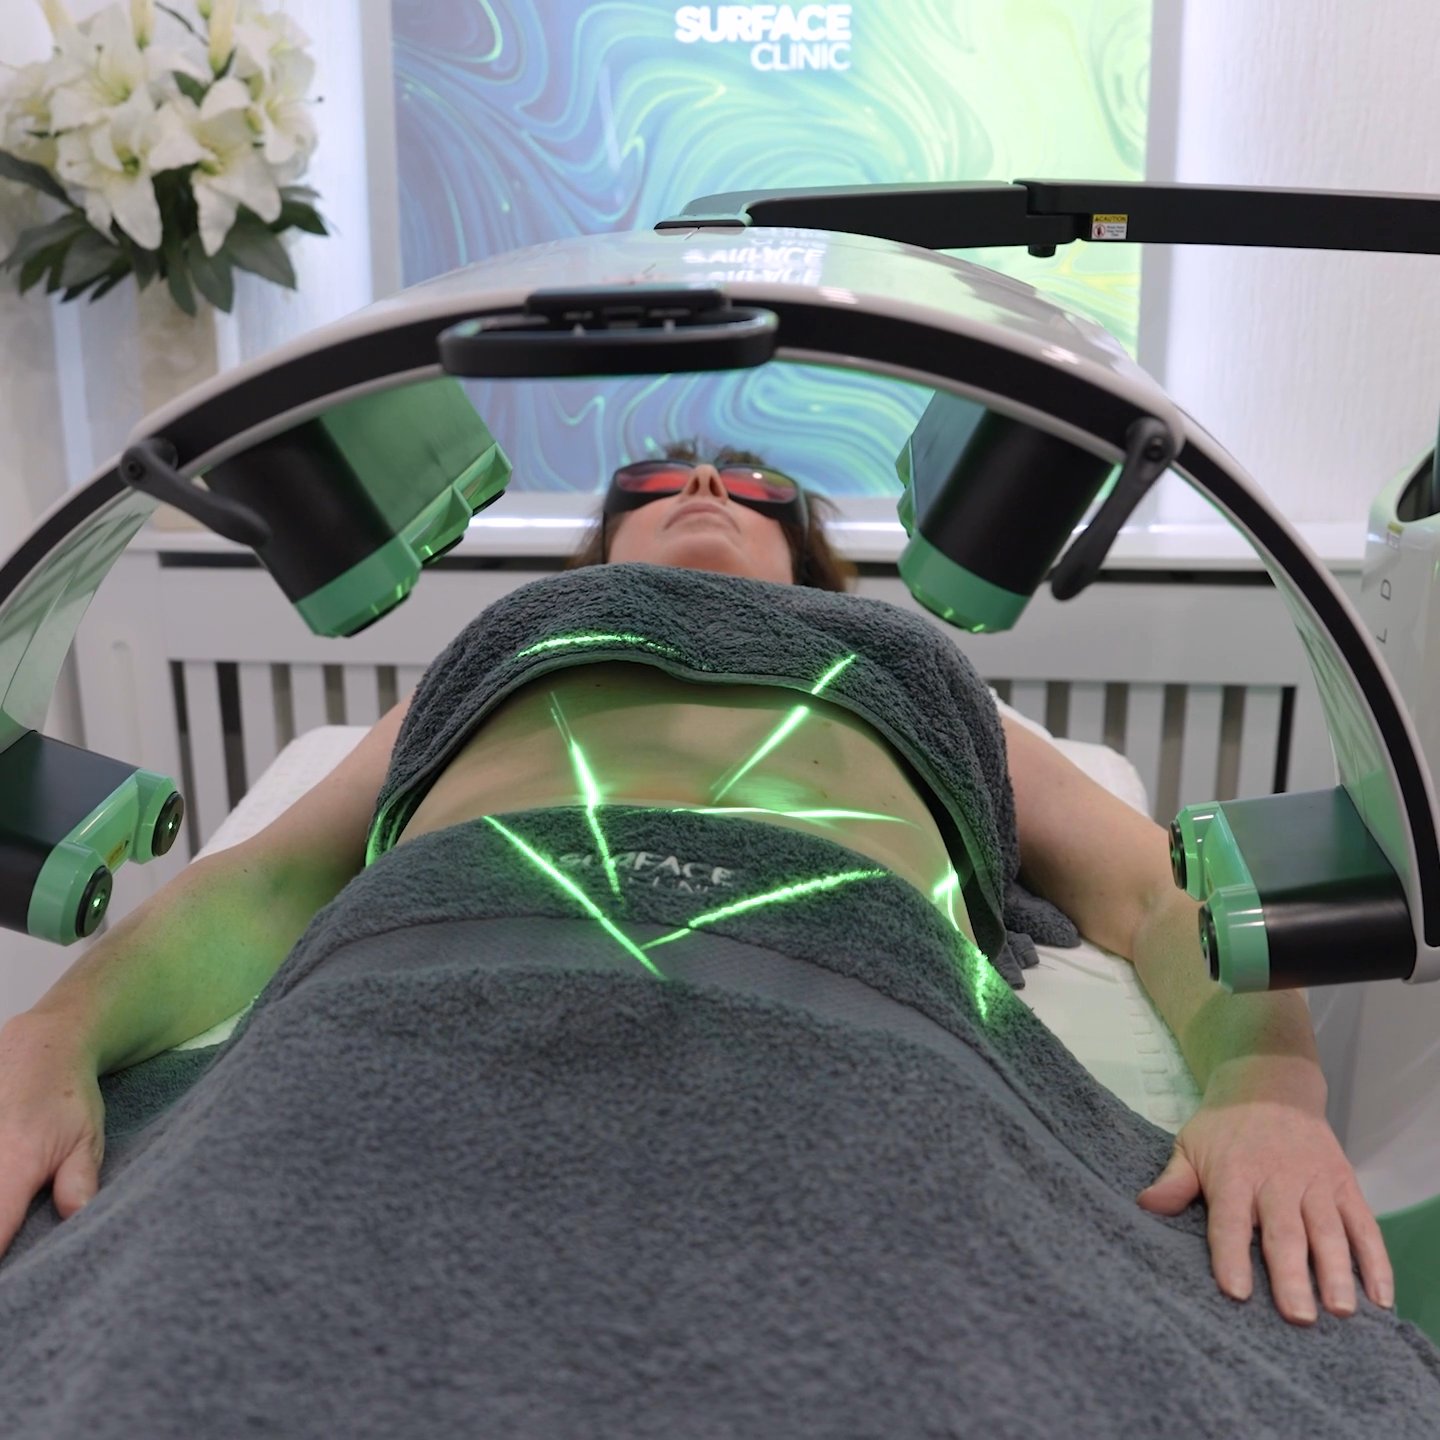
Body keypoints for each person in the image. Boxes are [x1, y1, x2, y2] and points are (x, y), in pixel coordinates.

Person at [0, 442, 1417, 1434]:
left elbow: (1164, 898)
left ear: (806, 549)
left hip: (853, 1023)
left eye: (748, 487)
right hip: (411, 987)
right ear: (601, 546)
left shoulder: (923, 674)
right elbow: (259, 889)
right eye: (654, 484)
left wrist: (1268, 1091)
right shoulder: (515, 644)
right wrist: (54, 1035)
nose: (697, 491)